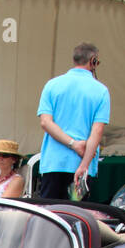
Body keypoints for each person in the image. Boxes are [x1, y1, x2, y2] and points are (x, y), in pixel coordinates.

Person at [36, 42, 109, 200]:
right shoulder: (101, 91)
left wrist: (71, 143)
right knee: (75, 215)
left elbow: (45, 123)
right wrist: (84, 165)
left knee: (50, 214)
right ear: (93, 61)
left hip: (53, 163)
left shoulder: (52, 85)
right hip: (81, 165)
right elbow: (97, 131)